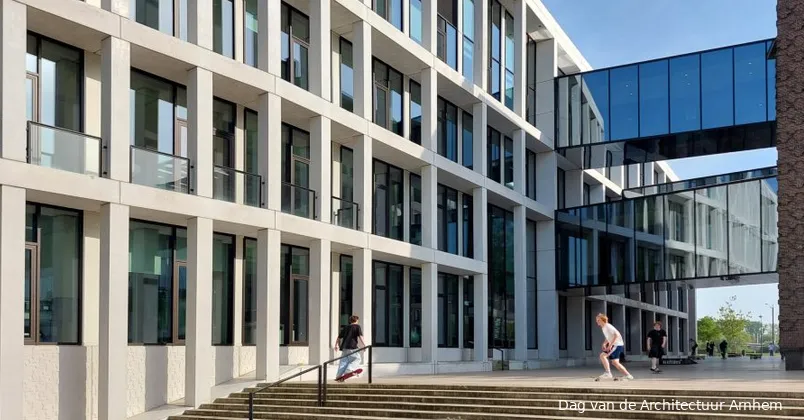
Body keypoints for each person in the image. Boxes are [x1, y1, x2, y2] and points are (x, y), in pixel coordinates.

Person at [595, 314, 633, 381]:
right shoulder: (603, 327)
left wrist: (610, 345)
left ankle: (608, 373)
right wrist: (605, 343)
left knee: (602, 356)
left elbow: (616, 335)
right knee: (615, 362)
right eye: (596, 320)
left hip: (616, 345)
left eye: (598, 320)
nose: (597, 321)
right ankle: (628, 376)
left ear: (603, 320)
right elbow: (609, 337)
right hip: (617, 345)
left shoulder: (607, 326)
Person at [333, 315, 367, 381]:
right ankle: (349, 370)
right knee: (357, 359)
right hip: (352, 346)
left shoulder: (346, 327)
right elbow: (360, 336)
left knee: (343, 361)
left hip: (344, 347)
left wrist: (336, 345)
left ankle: (338, 375)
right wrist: (364, 345)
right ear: (356, 320)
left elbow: (339, 337)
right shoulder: (357, 326)